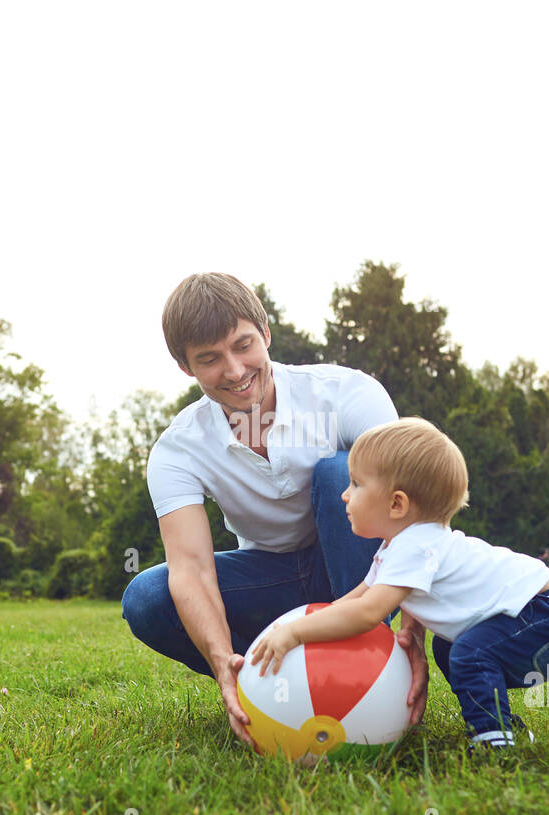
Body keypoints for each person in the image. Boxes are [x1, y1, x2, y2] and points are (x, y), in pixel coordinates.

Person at [121, 273, 432, 745]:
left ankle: (375, 663)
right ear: (187, 368)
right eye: (209, 359)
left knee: (339, 473)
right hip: (272, 577)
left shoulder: (346, 393)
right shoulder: (177, 450)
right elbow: (191, 570)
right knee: (147, 596)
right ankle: (265, 683)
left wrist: (414, 637)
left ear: (265, 333)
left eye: (242, 345)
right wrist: (223, 661)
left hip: (358, 570)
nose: (234, 370)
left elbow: (409, 513)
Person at [250, 417, 549, 751]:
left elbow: (369, 612)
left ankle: (495, 742)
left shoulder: (416, 546)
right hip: (534, 611)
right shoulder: (396, 547)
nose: (344, 495)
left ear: (397, 503)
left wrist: (295, 633)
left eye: (355, 484)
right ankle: (499, 723)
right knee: (450, 648)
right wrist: (303, 623)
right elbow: (353, 599)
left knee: (470, 653)